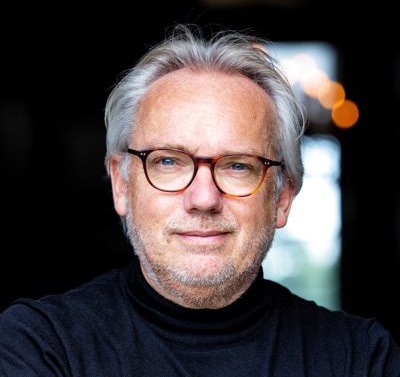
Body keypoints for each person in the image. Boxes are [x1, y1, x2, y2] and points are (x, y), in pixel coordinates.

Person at [0, 23, 399, 377]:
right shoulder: (39, 345)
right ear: (121, 184)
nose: (204, 198)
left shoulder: (361, 356)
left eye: (238, 166)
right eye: (168, 161)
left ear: (282, 197)